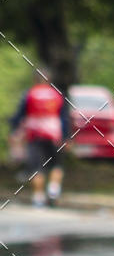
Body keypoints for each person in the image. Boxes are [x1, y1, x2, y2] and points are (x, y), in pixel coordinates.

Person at [10, 70, 69, 207]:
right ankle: (53, 191)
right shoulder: (57, 95)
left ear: (35, 80)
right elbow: (64, 118)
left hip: (34, 136)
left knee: (36, 168)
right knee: (56, 165)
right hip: (54, 136)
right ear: (49, 80)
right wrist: (66, 137)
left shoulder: (29, 94)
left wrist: (13, 129)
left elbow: (19, 116)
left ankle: (38, 198)